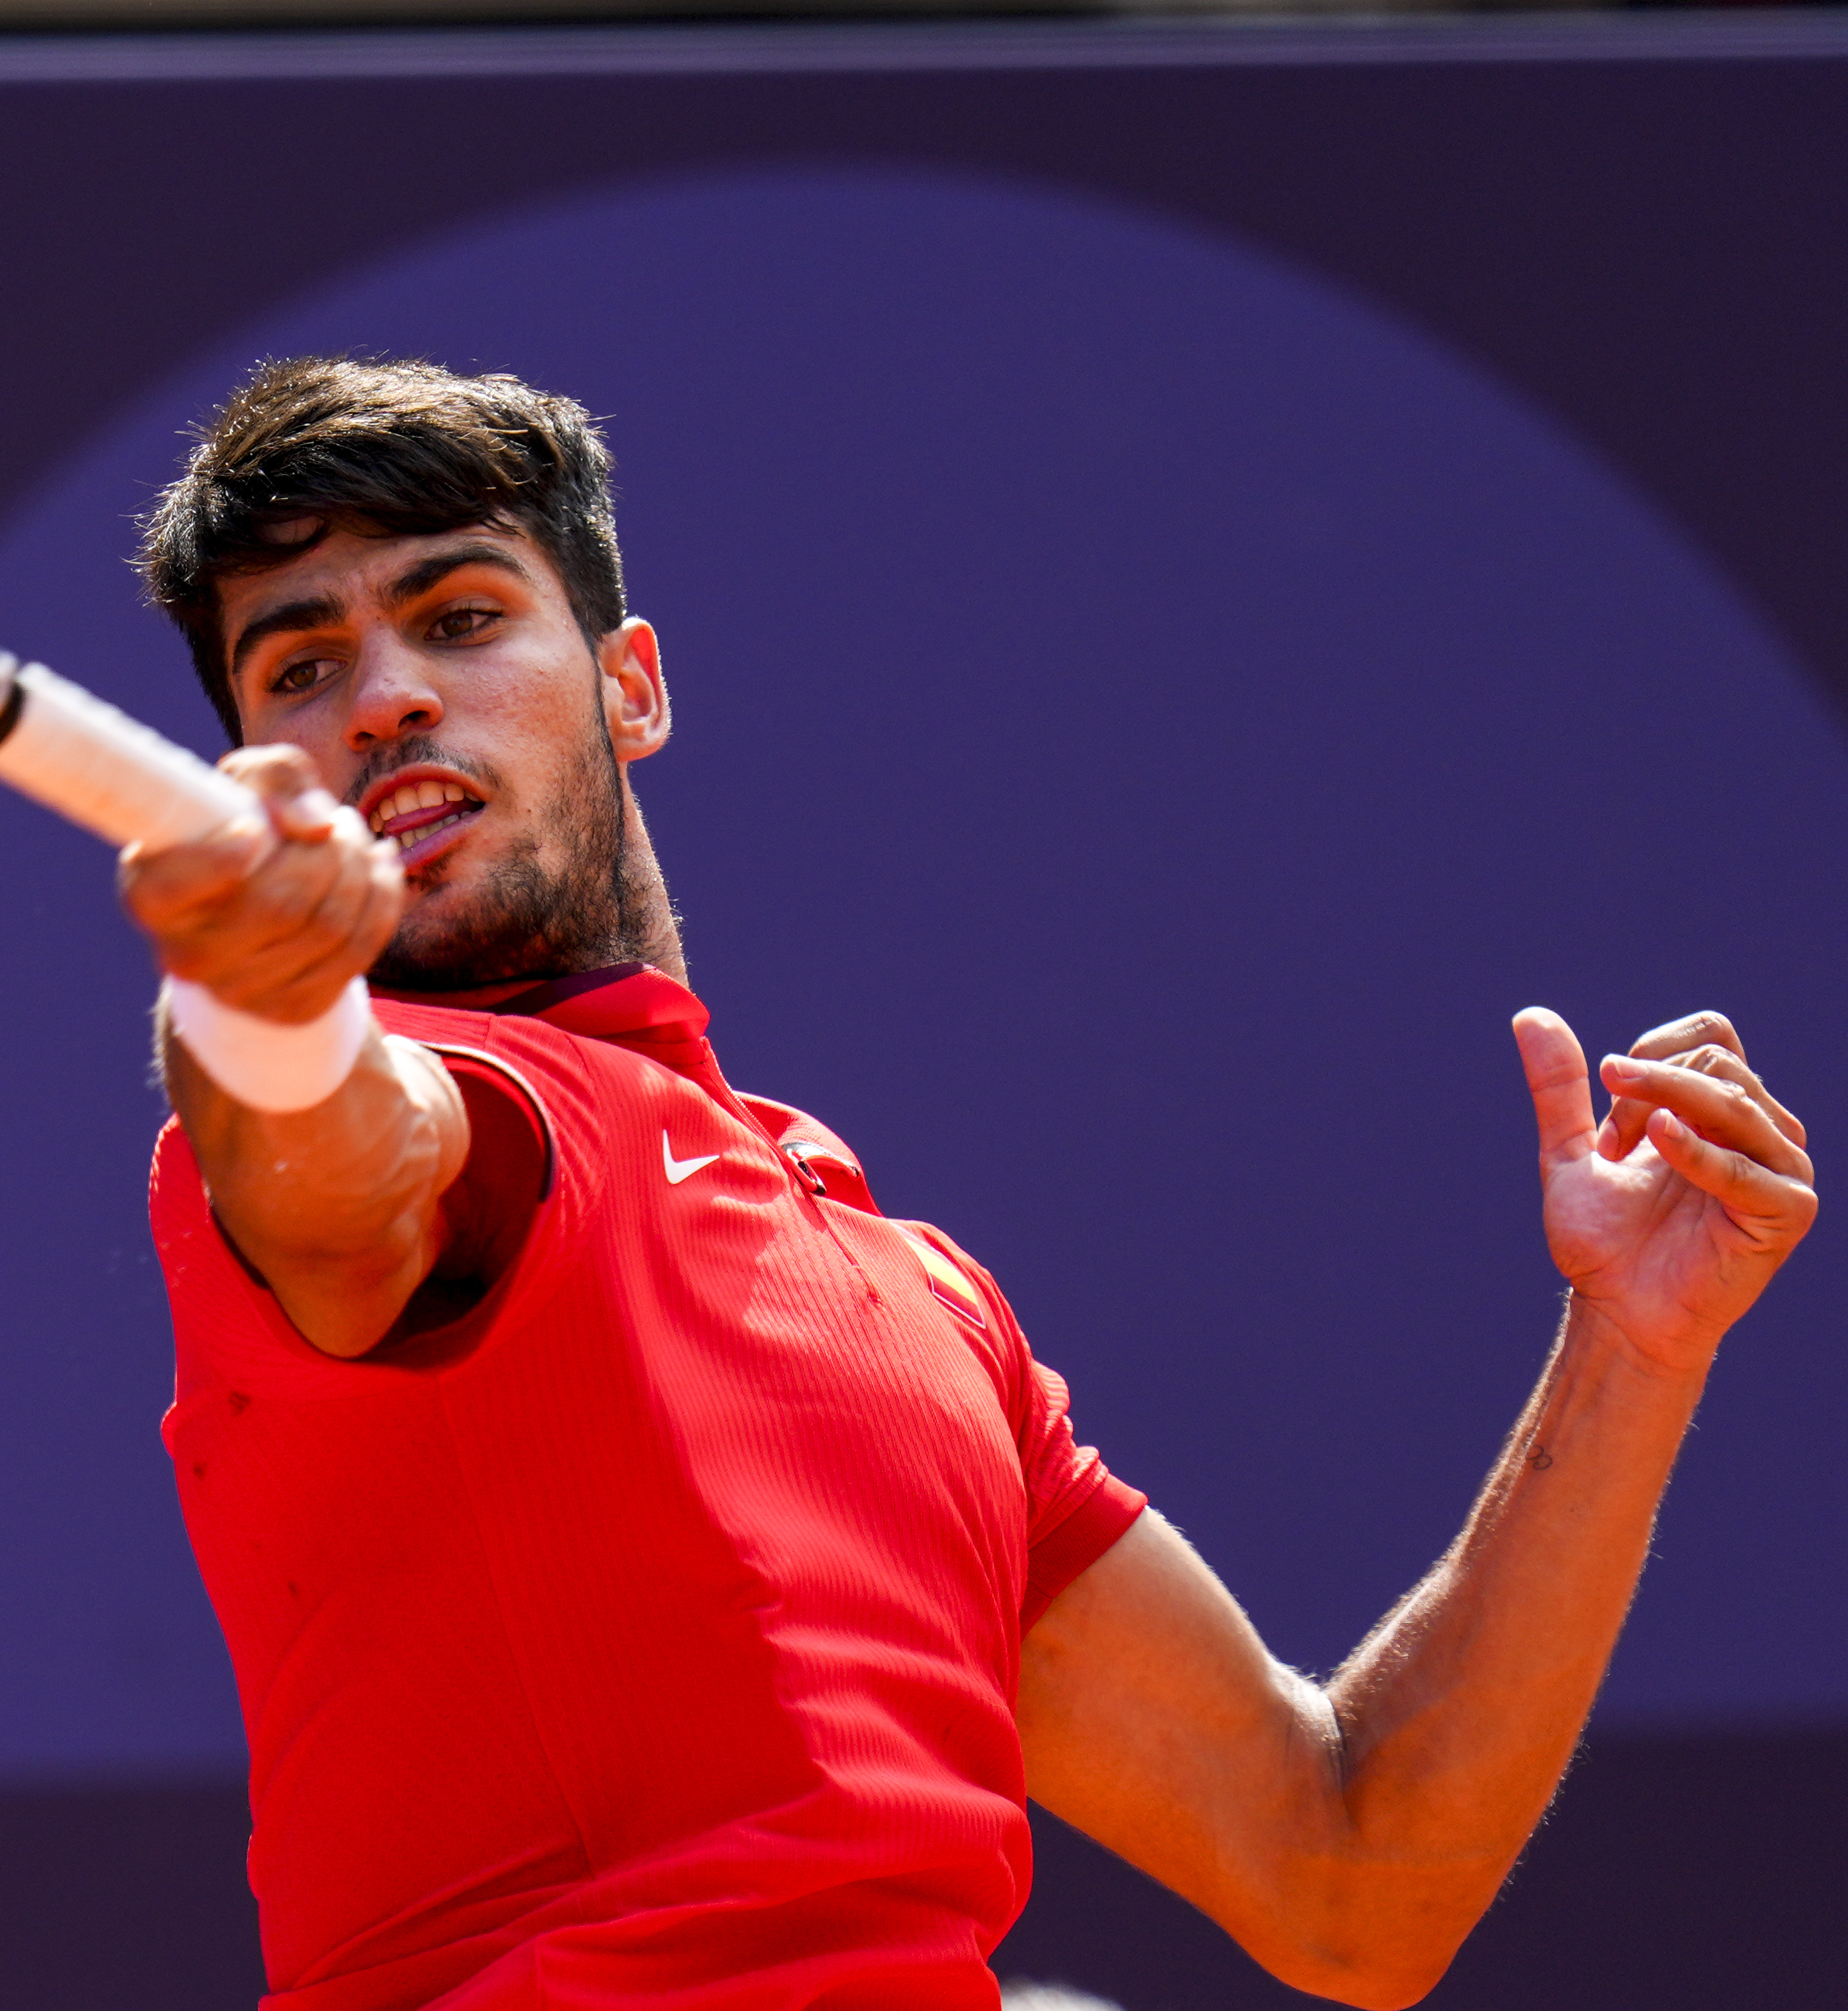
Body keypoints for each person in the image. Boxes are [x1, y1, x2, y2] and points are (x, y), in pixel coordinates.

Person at [114, 357, 1815, 2011]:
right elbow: (348, 1180)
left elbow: (1347, 1873)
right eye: (297, 669)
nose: (384, 695)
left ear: (629, 683)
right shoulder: (400, 1123)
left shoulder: (913, 1296)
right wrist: (259, 1009)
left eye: (461, 617)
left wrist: (1635, 1348)